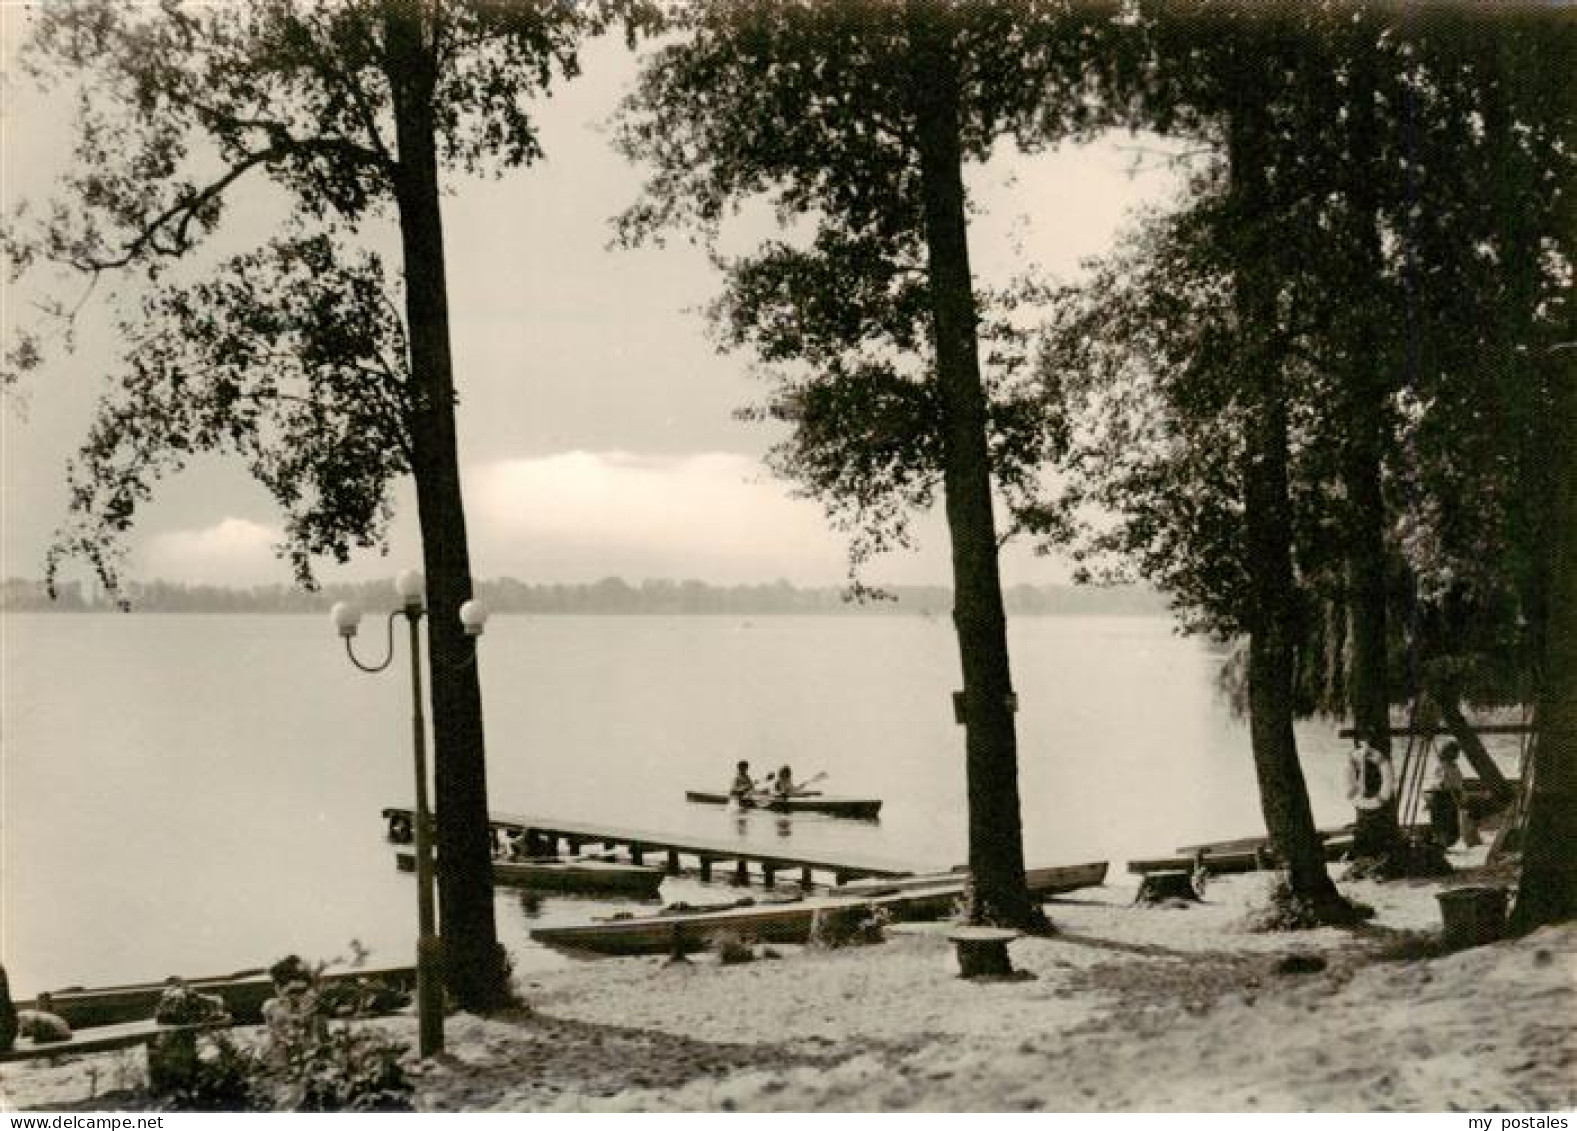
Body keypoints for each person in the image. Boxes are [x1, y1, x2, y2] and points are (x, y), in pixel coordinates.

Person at [1434, 742, 1482, 848]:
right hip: (1447, 796)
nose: (1458, 754)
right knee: (1449, 824)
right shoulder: (1442, 767)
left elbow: (1458, 782)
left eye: (1457, 752)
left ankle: (1468, 839)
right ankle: (1446, 842)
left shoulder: (1454, 766)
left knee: (1458, 821)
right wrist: (1443, 783)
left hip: (1456, 795)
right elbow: (1440, 783)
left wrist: (1462, 794)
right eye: (1456, 752)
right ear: (1449, 753)